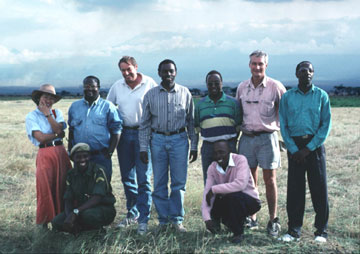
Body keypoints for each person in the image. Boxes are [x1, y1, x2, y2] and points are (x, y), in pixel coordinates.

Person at [139, 59, 197, 233]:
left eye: (171, 71)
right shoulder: (150, 95)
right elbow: (144, 124)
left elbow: (191, 122)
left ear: (176, 72)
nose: (168, 74)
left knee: (179, 182)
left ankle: (177, 220)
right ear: (159, 73)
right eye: (165, 71)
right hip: (157, 140)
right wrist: (143, 147)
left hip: (179, 139)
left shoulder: (185, 93)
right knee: (159, 182)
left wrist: (193, 145)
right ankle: (163, 221)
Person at [278, 61, 331, 243]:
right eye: (302, 70)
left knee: (319, 189)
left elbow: (325, 125)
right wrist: (293, 149)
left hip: (314, 148)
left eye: (310, 71)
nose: (306, 73)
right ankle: (293, 231)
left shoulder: (322, 96)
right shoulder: (287, 97)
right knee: (295, 190)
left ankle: (321, 231)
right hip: (294, 148)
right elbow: (283, 124)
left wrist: (308, 148)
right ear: (296, 74)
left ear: (313, 74)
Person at [235, 50, 286, 236]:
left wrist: (283, 136)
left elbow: (284, 112)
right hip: (247, 138)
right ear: (249, 65)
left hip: (268, 137)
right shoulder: (242, 87)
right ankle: (252, 217)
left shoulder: (276, 87)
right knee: (249, 180)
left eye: (260, 64)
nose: (257, 67)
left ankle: (273, 220)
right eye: (254, 63)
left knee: (270, 180)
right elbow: (237, 112)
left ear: (266, 65)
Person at [107, 56, 157, 235]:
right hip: (124, 134)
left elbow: (157, 107)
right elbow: (109, 108)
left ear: (136, 66)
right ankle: (132, 213)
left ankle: (144, 218)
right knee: (127, 177)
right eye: (123, 70)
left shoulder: (150, 83)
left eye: (129, 69)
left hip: (144, 134)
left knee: (144, 178)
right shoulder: (117, 87)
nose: (126, 73)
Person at [25, 84, 72, 226]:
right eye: (46, 96)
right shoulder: (31, 116)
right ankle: (45, 223)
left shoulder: (57, 112)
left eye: (51, 98)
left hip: (60, 152)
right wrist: (57, 134)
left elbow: (60, 129)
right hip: (45, 153)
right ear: (39, 98)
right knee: (45, 187)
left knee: (64, 185)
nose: (48, 100)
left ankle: (63, 222)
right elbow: (41, 138)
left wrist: (47, 114)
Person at [202, 140, 261, 243]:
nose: (218, 156)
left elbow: (240, 185)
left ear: (229, 151)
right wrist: (207, 218)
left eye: (221, 152)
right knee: (215, 199)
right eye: (215, 153)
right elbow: (207, 194)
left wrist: (214, 189)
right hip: (230, 200)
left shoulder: (240, 160)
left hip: (250, 201)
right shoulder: (212, 167)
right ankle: (223, 224)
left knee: (232, 196)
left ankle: (238, 233)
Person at [51, 143, 116, 234]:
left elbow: (97, 197)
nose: (82, 160)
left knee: (87, 215)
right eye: (78, 157)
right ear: (72, 158)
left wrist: (75, 212)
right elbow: (68, 199)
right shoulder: (71, 175)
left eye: (85, 156)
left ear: (89, 157)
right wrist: (69, 216)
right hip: (82, 210)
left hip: (103, 209)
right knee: (56, 222)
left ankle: (98, 232)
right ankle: (81, 231)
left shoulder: (98, 171)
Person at [68, 76, 122, 181]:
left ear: (99, 87)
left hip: (101, 156)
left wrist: (110, 152)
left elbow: (116, 131)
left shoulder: (108, 106)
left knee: (103, 189)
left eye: (93, 86)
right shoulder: (74, 107)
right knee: (80, 188)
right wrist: (70, 150)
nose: (89, 89)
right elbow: (71, 130)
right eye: (86, 86)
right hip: (80, 157)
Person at [195, 70, 242, 184]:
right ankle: (211, 202)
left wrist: (231, 143)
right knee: (210, 180)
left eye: (216, 83)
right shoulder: (200, 105)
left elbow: (238, 125)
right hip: (208, 147)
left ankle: (230, 202)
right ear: (206, 85)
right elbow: (197, 126)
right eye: (210, 84)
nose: (213, 86)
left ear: (222, 83)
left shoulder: (233, 103)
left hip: (229, 146)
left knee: (231, 180)